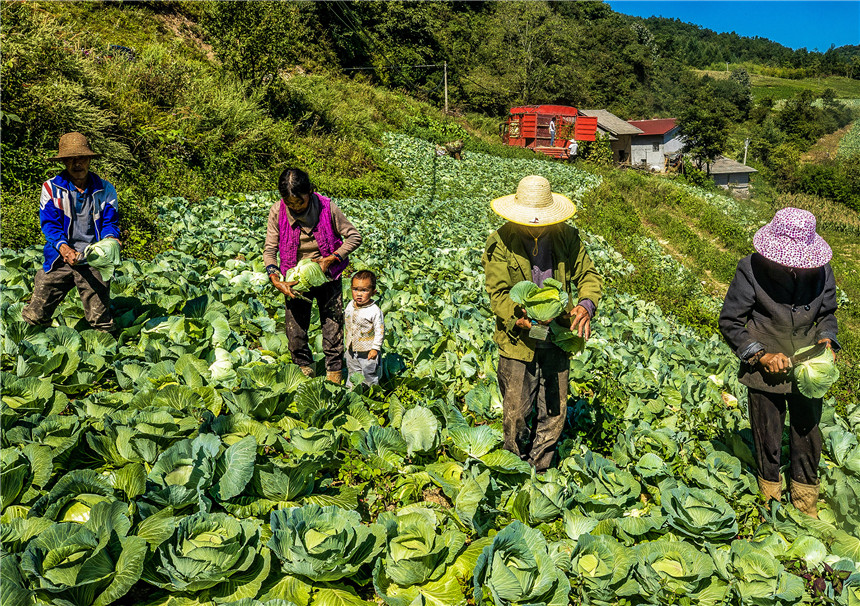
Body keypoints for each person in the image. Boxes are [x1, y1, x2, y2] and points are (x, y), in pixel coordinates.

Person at [719, 208, 838, 518]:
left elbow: (827, 314)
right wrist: (760, 354)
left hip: (808, 367)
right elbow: (731, 321)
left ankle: (805, 504)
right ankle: (770, 499)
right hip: (765, 370)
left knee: (808, 435)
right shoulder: (751, 269)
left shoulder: (822, 271)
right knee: (767, 434)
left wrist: (826, 340)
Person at [482, 175, 602, 472]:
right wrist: (518, 316)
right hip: (518, 339)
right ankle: (514, 464)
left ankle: (541, 467)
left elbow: (588, 275)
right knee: (517, 412)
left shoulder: (567, 237)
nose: (535, 225)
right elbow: (497, 293)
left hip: (558, 335)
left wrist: (586, 305)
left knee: (555, 410)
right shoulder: (500, 242)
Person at [264, 168, 362, 383]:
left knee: (332, 324)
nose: (295, 208)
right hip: (295, 279)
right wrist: (275, 277)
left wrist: (332, 258)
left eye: (299, 202)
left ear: (310, 191)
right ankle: (303, 369)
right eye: (290, 204)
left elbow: (354, 237)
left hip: (328, 276)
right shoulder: (277, 212)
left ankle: (334, 372)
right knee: (295, 327)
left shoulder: (327, 208)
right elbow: (270, 249)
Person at [22, 132, 121, 333]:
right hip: (59, 257)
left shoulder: (105, 189)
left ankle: (109, 355)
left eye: (82, 158)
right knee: (36, 313)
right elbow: (50, 225)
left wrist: (111, 241)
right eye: (71, 159)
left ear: (89, 160)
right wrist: (65, 249)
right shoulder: (51, 188)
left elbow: (110, 223)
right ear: (64, 162)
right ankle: (26, 343)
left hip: (93, 259)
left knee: (101, 321)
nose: (77, 164)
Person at [344, 270, 384, 386]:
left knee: (369, 374)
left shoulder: (374, 311)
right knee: (352, 372)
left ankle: (371, 393)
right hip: (351, 348)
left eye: (364, 290)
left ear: (373, 292)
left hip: (368, 351)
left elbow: (379, 331)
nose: (359, 294)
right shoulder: (350, 305)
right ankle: (351, 393)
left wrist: (375, 348)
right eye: (355, 289)